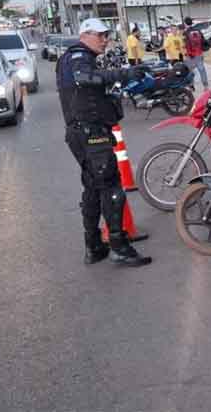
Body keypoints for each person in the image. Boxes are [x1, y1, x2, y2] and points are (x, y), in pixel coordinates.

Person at [57, 18, 152, 267]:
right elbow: (84, 77)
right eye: (99, 35)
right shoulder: (78, 57)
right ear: (84, 35)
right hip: (89, 133)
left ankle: (94, 245)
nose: (105, 40)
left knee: (93, 188)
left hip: (83, 132)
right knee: (111, 188)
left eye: (106, 35)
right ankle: (119, 246)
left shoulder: (75, 57)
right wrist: (123, 72)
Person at [183, 17, 210, 90]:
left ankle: (191, 85)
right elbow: (203, 41)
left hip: (190, 55)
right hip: (199, 54)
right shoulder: (198, 31)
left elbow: (186, 44)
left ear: (185, 23)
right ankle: (206, 86)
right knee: (202, 70)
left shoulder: (186, 32)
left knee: (189, 71)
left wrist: (187, 53)